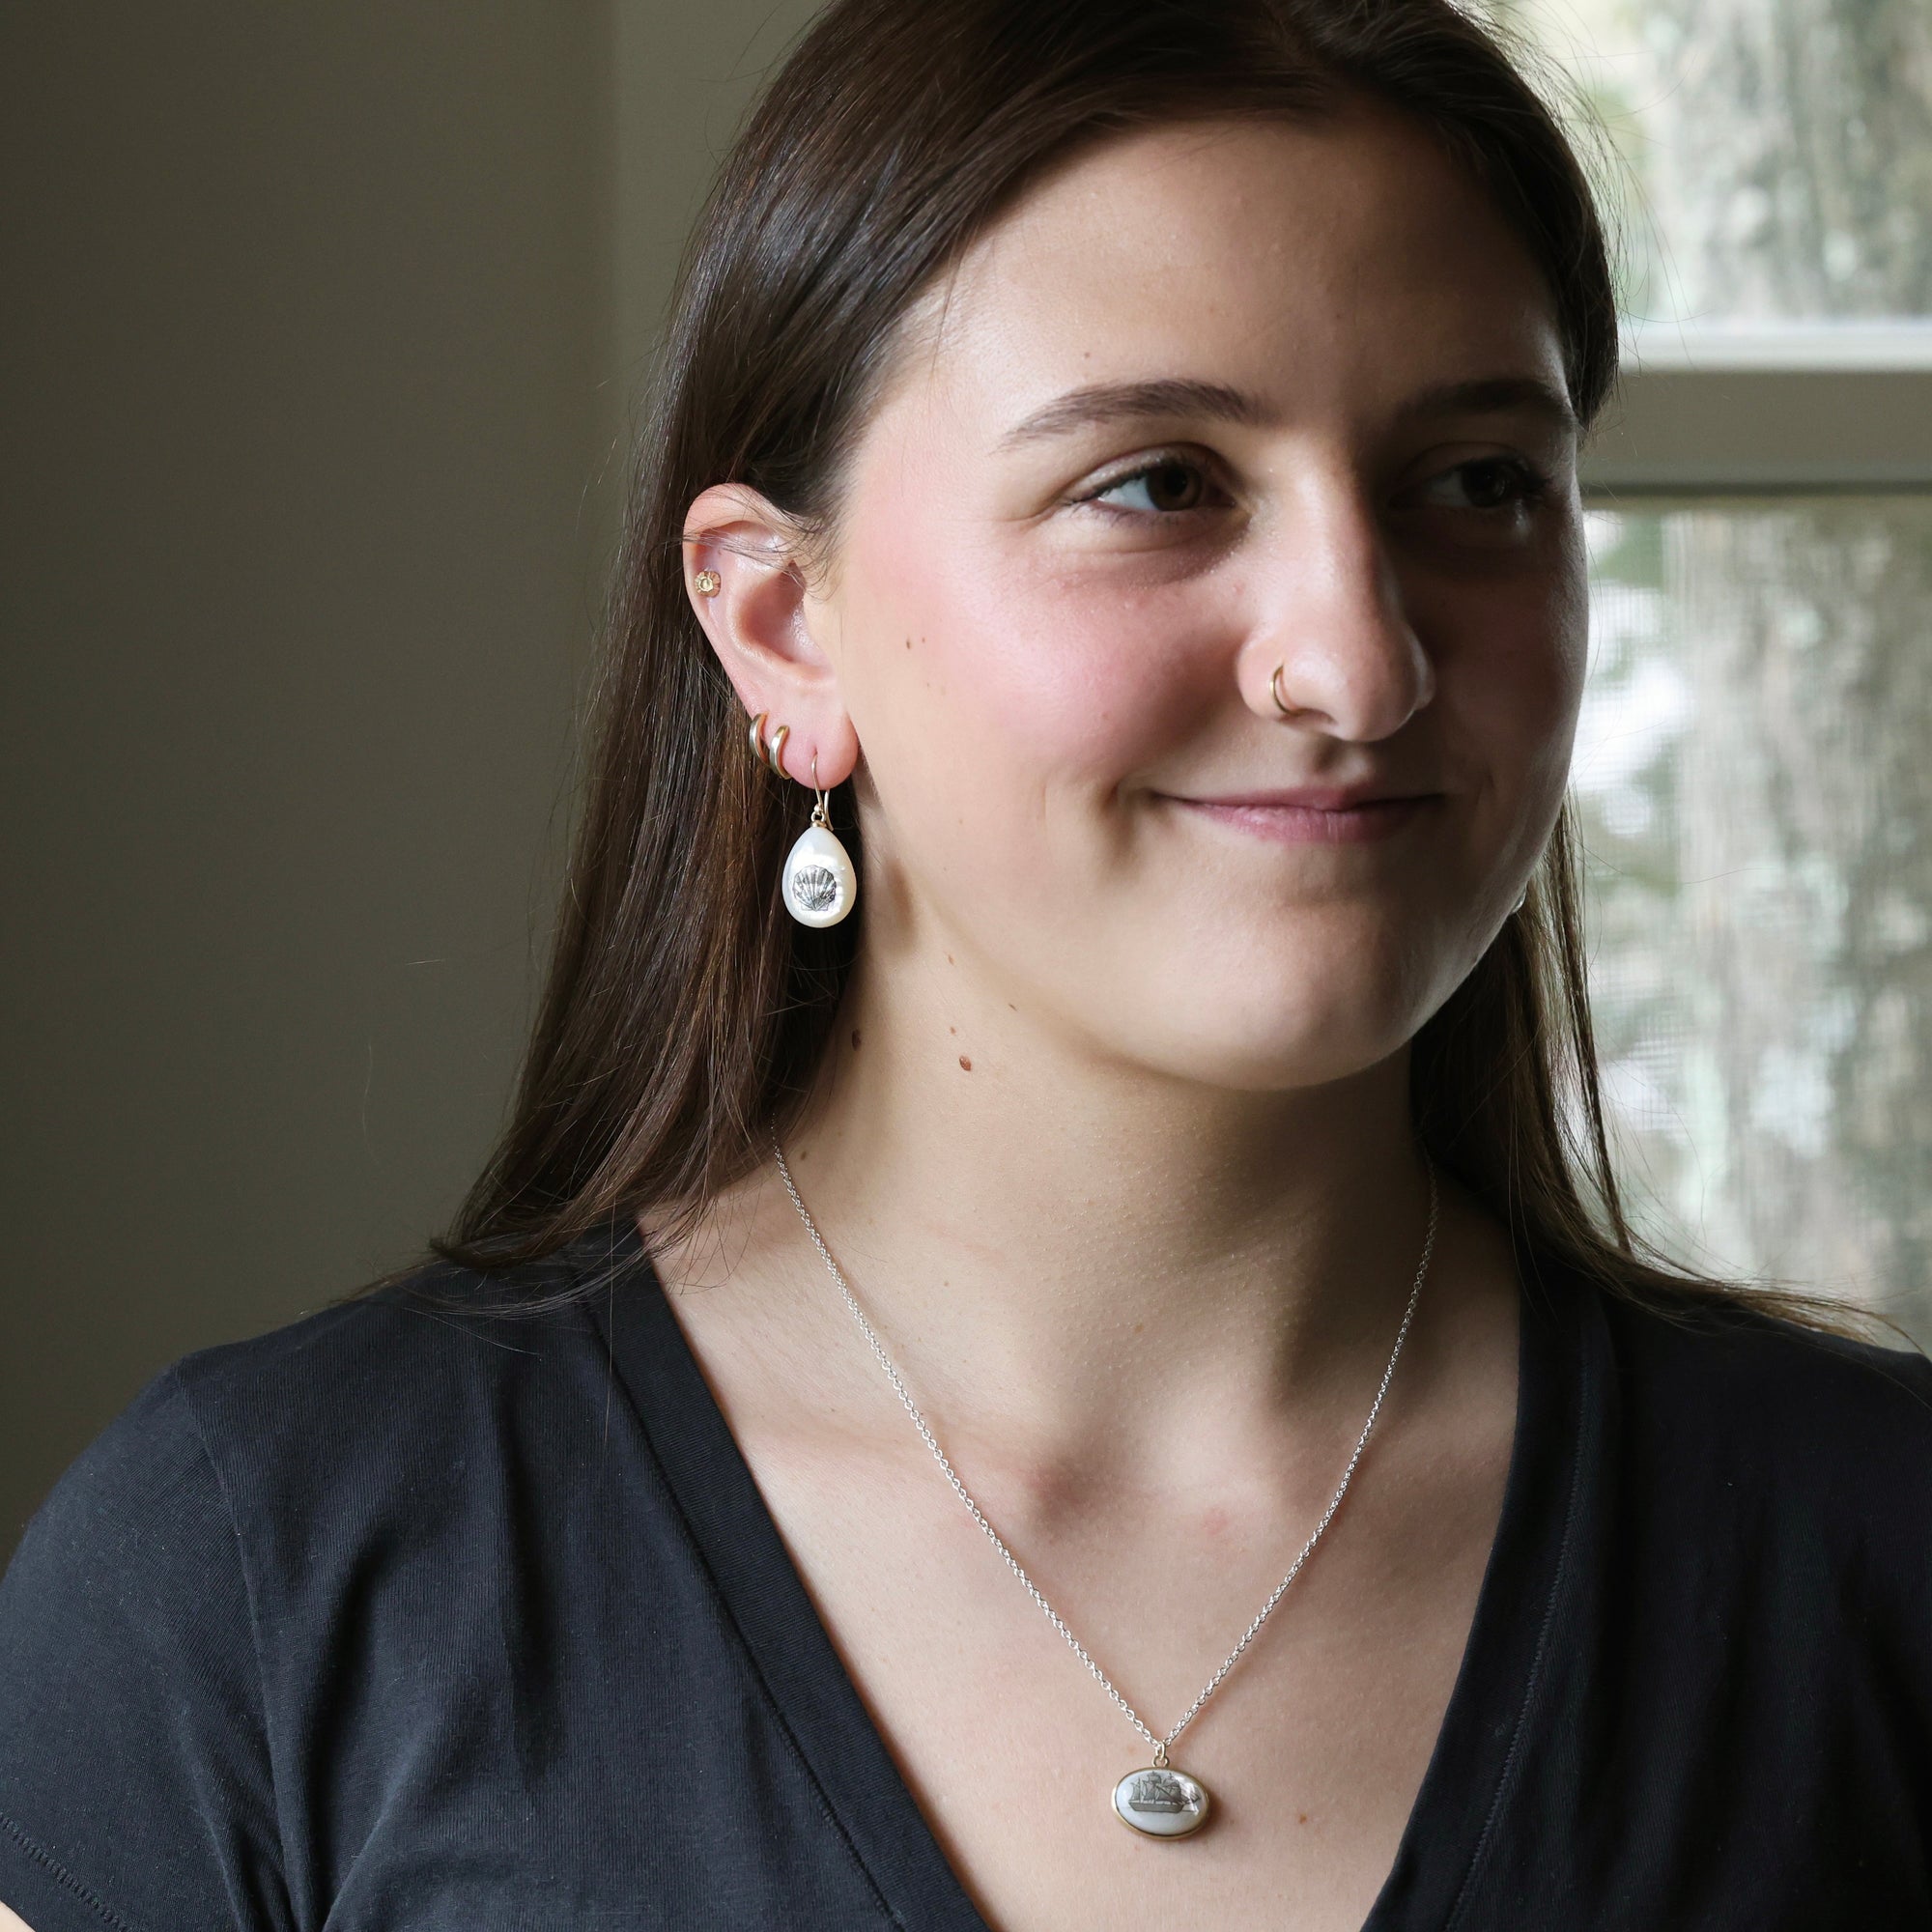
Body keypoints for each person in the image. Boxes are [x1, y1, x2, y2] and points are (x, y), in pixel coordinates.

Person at [5, 0, 1931, 1926]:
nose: (1358, 662)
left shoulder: (1881, 1555)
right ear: (781, 624)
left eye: (1482, 482)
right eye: (1160, 484)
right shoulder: (249, 1576)